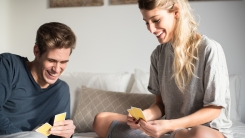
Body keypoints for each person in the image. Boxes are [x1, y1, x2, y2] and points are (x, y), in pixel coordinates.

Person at [93, 0, 233, 138]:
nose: (151, 29)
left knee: (200, 135)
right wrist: (145, 116)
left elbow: (214, 110)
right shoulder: (158, 55)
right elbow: (160, 105)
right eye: (147, 22)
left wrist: (170, 125)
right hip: (170, 129)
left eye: (156, 20)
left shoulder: (209, 49)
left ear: (176, 12)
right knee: (101, 120)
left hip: (206, 129)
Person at [0, 22, 76, 138]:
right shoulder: (9, 65)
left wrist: (66, 133)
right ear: (36, 51)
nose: (56, 69)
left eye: (63, 62)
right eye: (51, 60)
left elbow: (54, 133)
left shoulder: (61, 90)